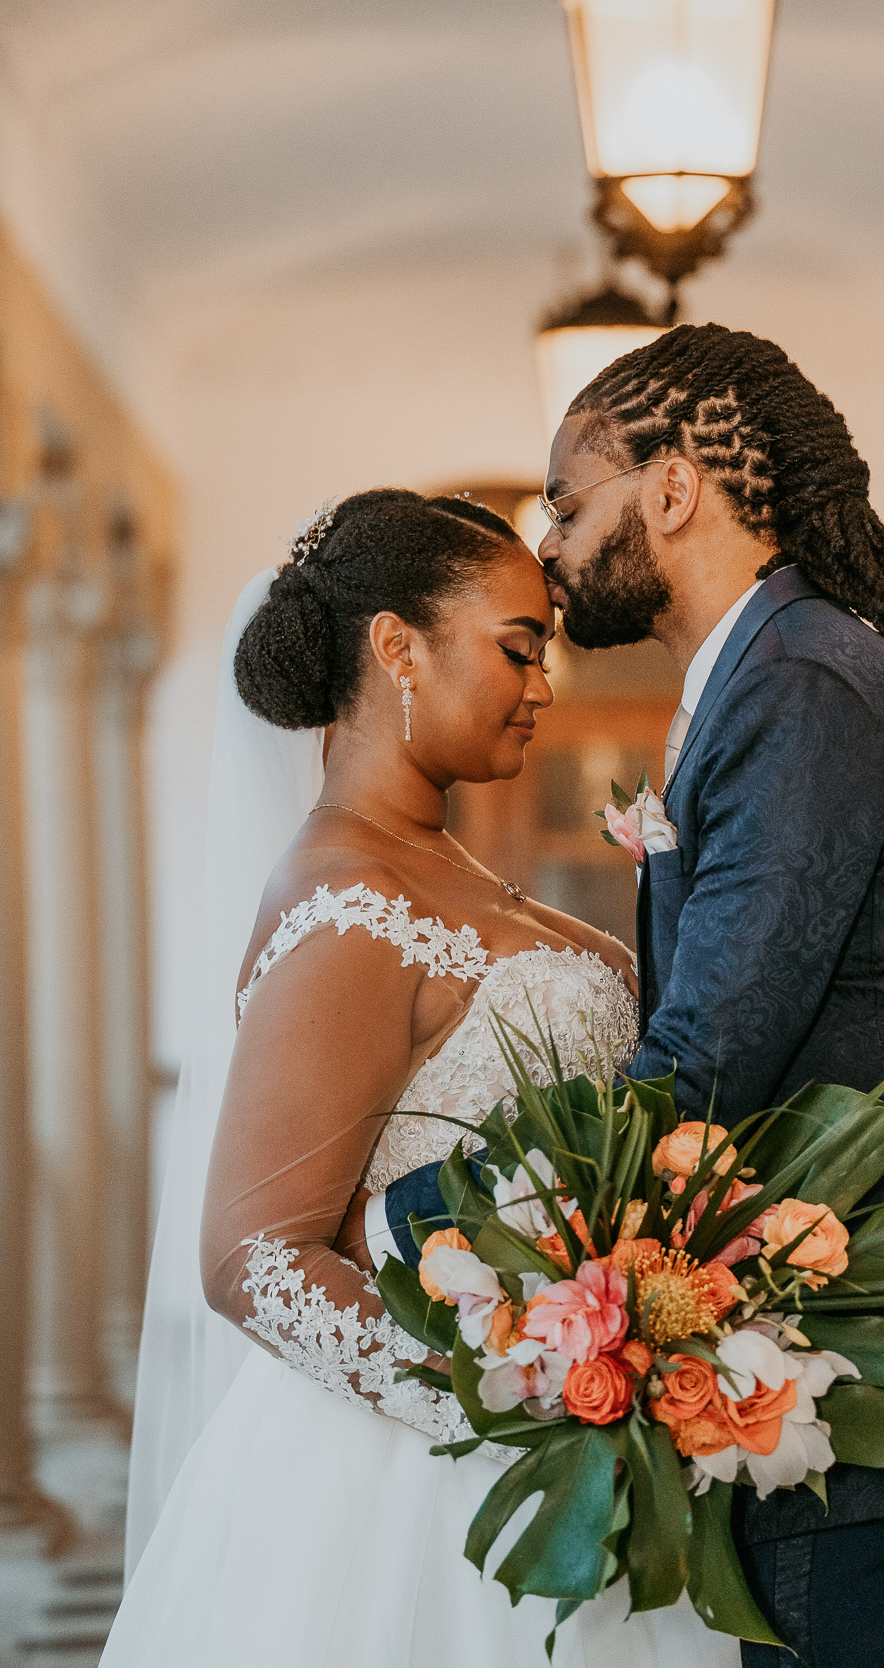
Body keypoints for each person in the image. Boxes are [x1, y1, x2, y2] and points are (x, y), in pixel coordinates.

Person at [368, 325, 884, 1668]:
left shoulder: (801, 686)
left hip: (874, 1352)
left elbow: (709, 1054)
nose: (556, 548)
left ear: (675, 486)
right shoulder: (770, 677)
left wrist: (438, 1210)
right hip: (829, 1341)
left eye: (569, 505)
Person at [104, 488, 738, 1668]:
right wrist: (513, 1397)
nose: (543, 686)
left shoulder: (434, 867)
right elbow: (253, 1259)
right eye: (517, 648)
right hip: (407, 1486)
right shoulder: (351, 903)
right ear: (397, 645)